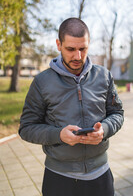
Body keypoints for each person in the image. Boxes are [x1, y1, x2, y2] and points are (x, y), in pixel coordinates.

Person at [19, 17, 124, 196]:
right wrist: (58, 135)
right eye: (71, 49)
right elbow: (26, 128)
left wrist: (104, 130)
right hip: (59, 178)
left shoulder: (104, 76)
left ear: (89, 44)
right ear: (59, 44)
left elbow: (117, 114)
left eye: (83, 49)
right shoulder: (41, 82)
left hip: (100, 175)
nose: (78, 56)